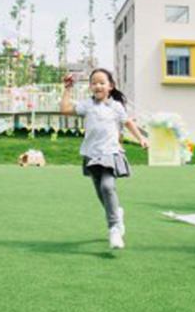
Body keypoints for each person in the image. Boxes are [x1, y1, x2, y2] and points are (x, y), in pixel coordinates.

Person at [60, 69, 148, 250]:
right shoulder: (87, 105)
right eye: (94, 83)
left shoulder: (116, 106)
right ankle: (117, 213)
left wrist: (141, 138)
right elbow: (65, 110)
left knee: (107, 186)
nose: (97, 86)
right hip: (91, 154)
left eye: (102, 82)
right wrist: (67, 89)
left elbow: (128, 122)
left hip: (110, 152)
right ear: (90, 87)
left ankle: (114, 228)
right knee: (101, 192)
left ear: (111, 86)